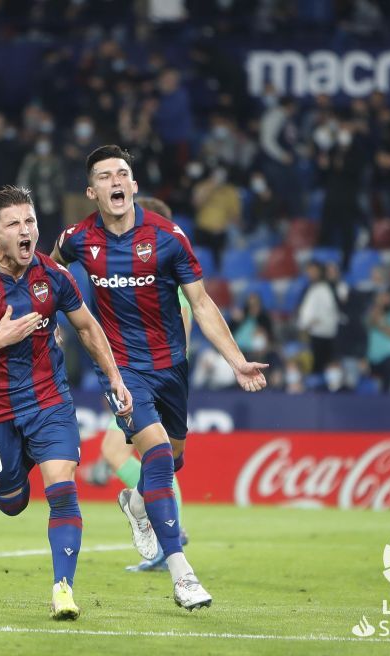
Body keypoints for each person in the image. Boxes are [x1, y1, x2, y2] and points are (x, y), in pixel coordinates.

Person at [51, 145, 269, 611]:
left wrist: (237, 361)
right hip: (120, 369)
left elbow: (203, 304)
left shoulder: (169, 238)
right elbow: (50, 270)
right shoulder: (78, 238)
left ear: (133, 186)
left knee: (172, 462)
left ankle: (136, 504)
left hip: (171, 368)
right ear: (92, 192)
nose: (115, 181)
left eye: (122, 174)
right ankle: (182, 574)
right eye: (105, 176)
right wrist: (50, 320)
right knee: (152, 453)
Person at [0, 185, 132, 621]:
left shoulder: (54, 276)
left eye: (30, 221)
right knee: (12, 502)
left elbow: (86, 327)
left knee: (62, 490)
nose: (26, 231)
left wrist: (115, 378)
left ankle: (63, 587)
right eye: (14, 224)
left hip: (49, 400)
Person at [96, 197, 192, 572]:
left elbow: (179, 330)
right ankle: (163, 525)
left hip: (153, 379)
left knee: (159, 458)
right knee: (140, 453)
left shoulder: (168, 275)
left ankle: (168, 530)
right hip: (139, 376)